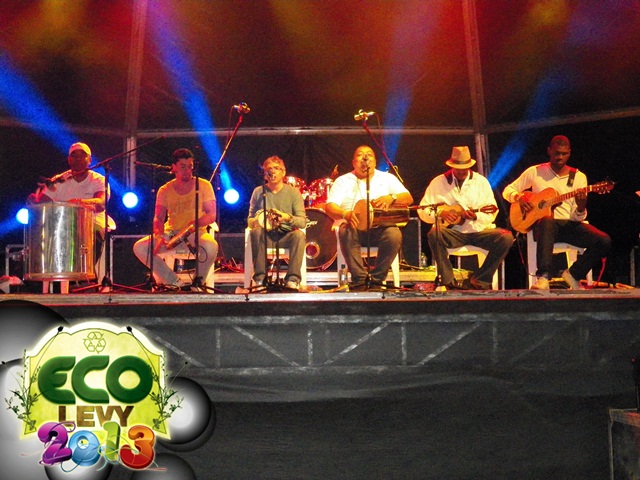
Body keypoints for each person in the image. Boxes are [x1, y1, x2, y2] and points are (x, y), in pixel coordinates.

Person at [502, 135, 611, 289]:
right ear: (549, 151)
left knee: (604, 240)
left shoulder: (578, 177)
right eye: (556, 153)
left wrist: (581, 207)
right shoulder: (535, 171)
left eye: (564, 153)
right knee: (547, 220)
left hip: (569, 225)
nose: (560, 157)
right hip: (543, 227)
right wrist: (519, 197)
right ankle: (543, 277)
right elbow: (508, 190)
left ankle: (573, 274)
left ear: (569, 153)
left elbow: (577, 217)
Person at [418, 146, 514, 290]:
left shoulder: (481, 182)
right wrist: (440, 213)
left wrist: (476, 216)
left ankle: (480, 279)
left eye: (465, 168)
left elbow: (492, 212)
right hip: (453, 233)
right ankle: (448, 281)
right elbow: (423, 210)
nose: (462, 171)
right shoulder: (439, 182)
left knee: (506, 237)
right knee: (434, 233)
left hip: (479, 232)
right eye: (458, 168)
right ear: (452, 166)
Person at [325, 145, 413, 287]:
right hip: (354, 227)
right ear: (353, 162)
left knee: (394, 234)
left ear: (375, 162)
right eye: (360, 155)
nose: (365, 158)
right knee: (345, 230)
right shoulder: (343, 181)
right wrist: (345, 214)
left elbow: (408, 198)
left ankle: (376, 280)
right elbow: (330, 206)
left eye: (369, 155)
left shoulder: (386, 178)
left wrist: (392, 197)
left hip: (380, 228)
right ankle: (360, 280)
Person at [133, 148, 218, 290]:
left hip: (194, 233)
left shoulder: (203, 185)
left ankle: (198, 283)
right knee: (140, 247)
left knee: (211, 247)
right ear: (174, 167)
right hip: (171, 234)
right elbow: (158, 217)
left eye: (190, 167)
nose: (187, 171)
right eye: (183, 167)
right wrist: (159, 235)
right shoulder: (165, 189)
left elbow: (211, 214)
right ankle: (173, 282)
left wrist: (194, 224)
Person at [27, 142, 110, 265]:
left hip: (92, 223)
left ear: (90, 160)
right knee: (40, 231)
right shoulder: (58, 180)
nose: (78, 159)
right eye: (74, 156)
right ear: (69, 160)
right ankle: (45, 271)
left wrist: (77, 203)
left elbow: (101, 203)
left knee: (93, 231)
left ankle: (87, 270)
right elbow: (42, 204)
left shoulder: (98, 180)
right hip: (62, 225)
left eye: (82, 156)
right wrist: (34, 202)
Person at [247, 156, 306, 290]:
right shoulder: (258, 192)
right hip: (265, 236)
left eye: (276, 168)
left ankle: (292, 279)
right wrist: (258, 221)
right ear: (265, 174)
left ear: (283, 172)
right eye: (269, 170)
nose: (272, 172)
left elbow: (302, 221)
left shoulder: (293, 192)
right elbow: (249, 220)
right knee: (256, 232)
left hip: (285, 235)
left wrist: (286, 217)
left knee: (299, 235)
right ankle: (260, 279)